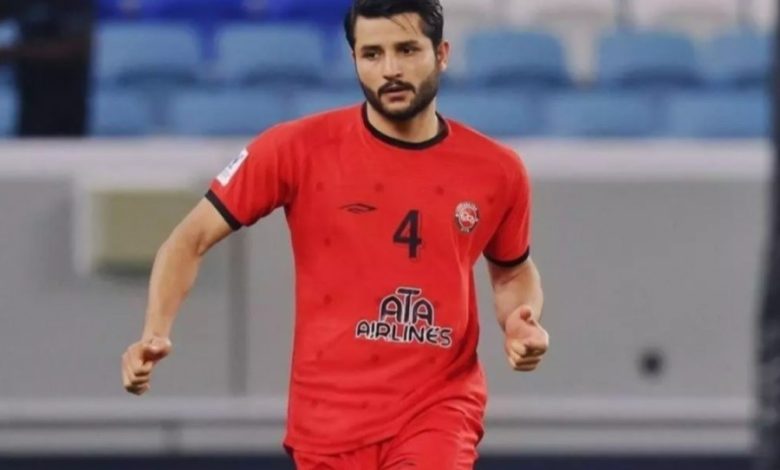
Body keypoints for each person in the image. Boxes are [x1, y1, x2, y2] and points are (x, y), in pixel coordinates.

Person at [121, 0, 549, 468]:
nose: (390, 69)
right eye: (372, 54)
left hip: (439, 408)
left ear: (441, 54)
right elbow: (188, 240)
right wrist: (154, 332)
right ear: (353, 59)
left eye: (407, 50)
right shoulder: (296, 149)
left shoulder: (496, 170)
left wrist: (520, 319)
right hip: (327, 420)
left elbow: (512, 271)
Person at [0, 0, 93, 137]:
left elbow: (77, 47)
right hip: (31, 104)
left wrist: (15, 52)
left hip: (66, 104)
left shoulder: (74, 4)